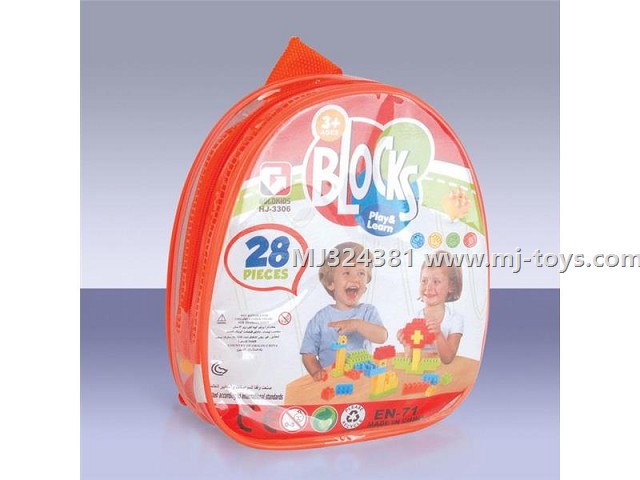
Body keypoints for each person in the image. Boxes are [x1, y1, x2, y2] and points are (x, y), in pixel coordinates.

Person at [300, 242, 388, 381]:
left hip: (362, 380)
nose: (355, 279)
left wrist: (357, 324)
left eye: (361, 273)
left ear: (366, 285)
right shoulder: (321, 318)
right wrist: (317, 372)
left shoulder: (368, 312)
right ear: (331, 283)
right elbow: (308, 353)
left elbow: (382, 337)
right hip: (331, 381)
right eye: (347, 272)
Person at [397, 250, 464, 364]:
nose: (428, 287)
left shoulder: (455, 319)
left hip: (446, 371)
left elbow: (448, 359)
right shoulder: (413, 318)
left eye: (436, 282)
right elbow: (410, 360)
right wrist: (406, 344)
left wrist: (438, 334)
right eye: (424, 281)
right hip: (421, 371)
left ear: (451, 286)